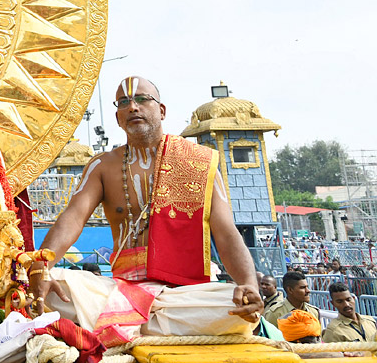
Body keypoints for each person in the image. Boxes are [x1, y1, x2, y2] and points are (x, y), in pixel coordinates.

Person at [29, 77, 263, 345]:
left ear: (161, 110)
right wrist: (41, 268)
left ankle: (124, 324)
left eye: (141, 99)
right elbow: (72, 219)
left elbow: (226, 233)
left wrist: (249, 284)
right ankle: (141, 322)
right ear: (118, 117)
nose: (133, 107)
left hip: (186, 292)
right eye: (124, 102)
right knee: (49, 288)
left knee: (233, 306)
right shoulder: (102, 166)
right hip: (122, 288)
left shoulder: (199, 162)